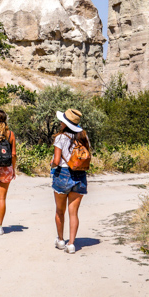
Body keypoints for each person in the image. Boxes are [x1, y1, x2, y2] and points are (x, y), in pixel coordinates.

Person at [51, 108, 90, 254]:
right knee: (74, 213)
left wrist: (52, 164)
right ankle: (72, 244)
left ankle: (61, 240)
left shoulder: (60, 138)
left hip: (63, 174)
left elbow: (56, 160)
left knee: (60, 211)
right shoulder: (84, 138)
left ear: (65, 123)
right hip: (80, 176)